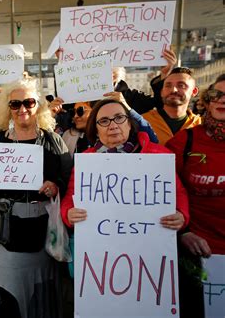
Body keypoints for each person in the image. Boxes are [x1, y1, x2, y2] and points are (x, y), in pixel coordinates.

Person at [0, 78, 72, 318]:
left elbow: (67, 179)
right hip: (6, 231)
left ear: (38, 105)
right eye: (15, 104)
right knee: (8, 292)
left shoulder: (54, 141)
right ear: (7, 108)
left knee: (42, 293)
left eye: (29, 102)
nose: (22, 109)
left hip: (44, 232)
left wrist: (55, 186)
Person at [61, 98, 189, 230]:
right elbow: (70, 196)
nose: (113, 125)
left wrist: (181, 215)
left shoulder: (158, 155)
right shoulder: (86, 160)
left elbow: (178, 192)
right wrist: (68, 213)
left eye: (119, 118)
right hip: (102, 241)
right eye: (104, 121)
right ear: (96, 129)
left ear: (129, 123)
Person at [166, 74, 225, 318]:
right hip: (199, 256)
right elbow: (163, 191)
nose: (223, 100)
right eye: (217, 95)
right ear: (206, 102)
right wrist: (183, 232)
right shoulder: (185, 141)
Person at [142, 67, 202, 145]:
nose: (173, 90)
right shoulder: (143, 122)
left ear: (194, 91)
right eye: (168, 86)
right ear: (161, 92)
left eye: (181, 85)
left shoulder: (201, 126)